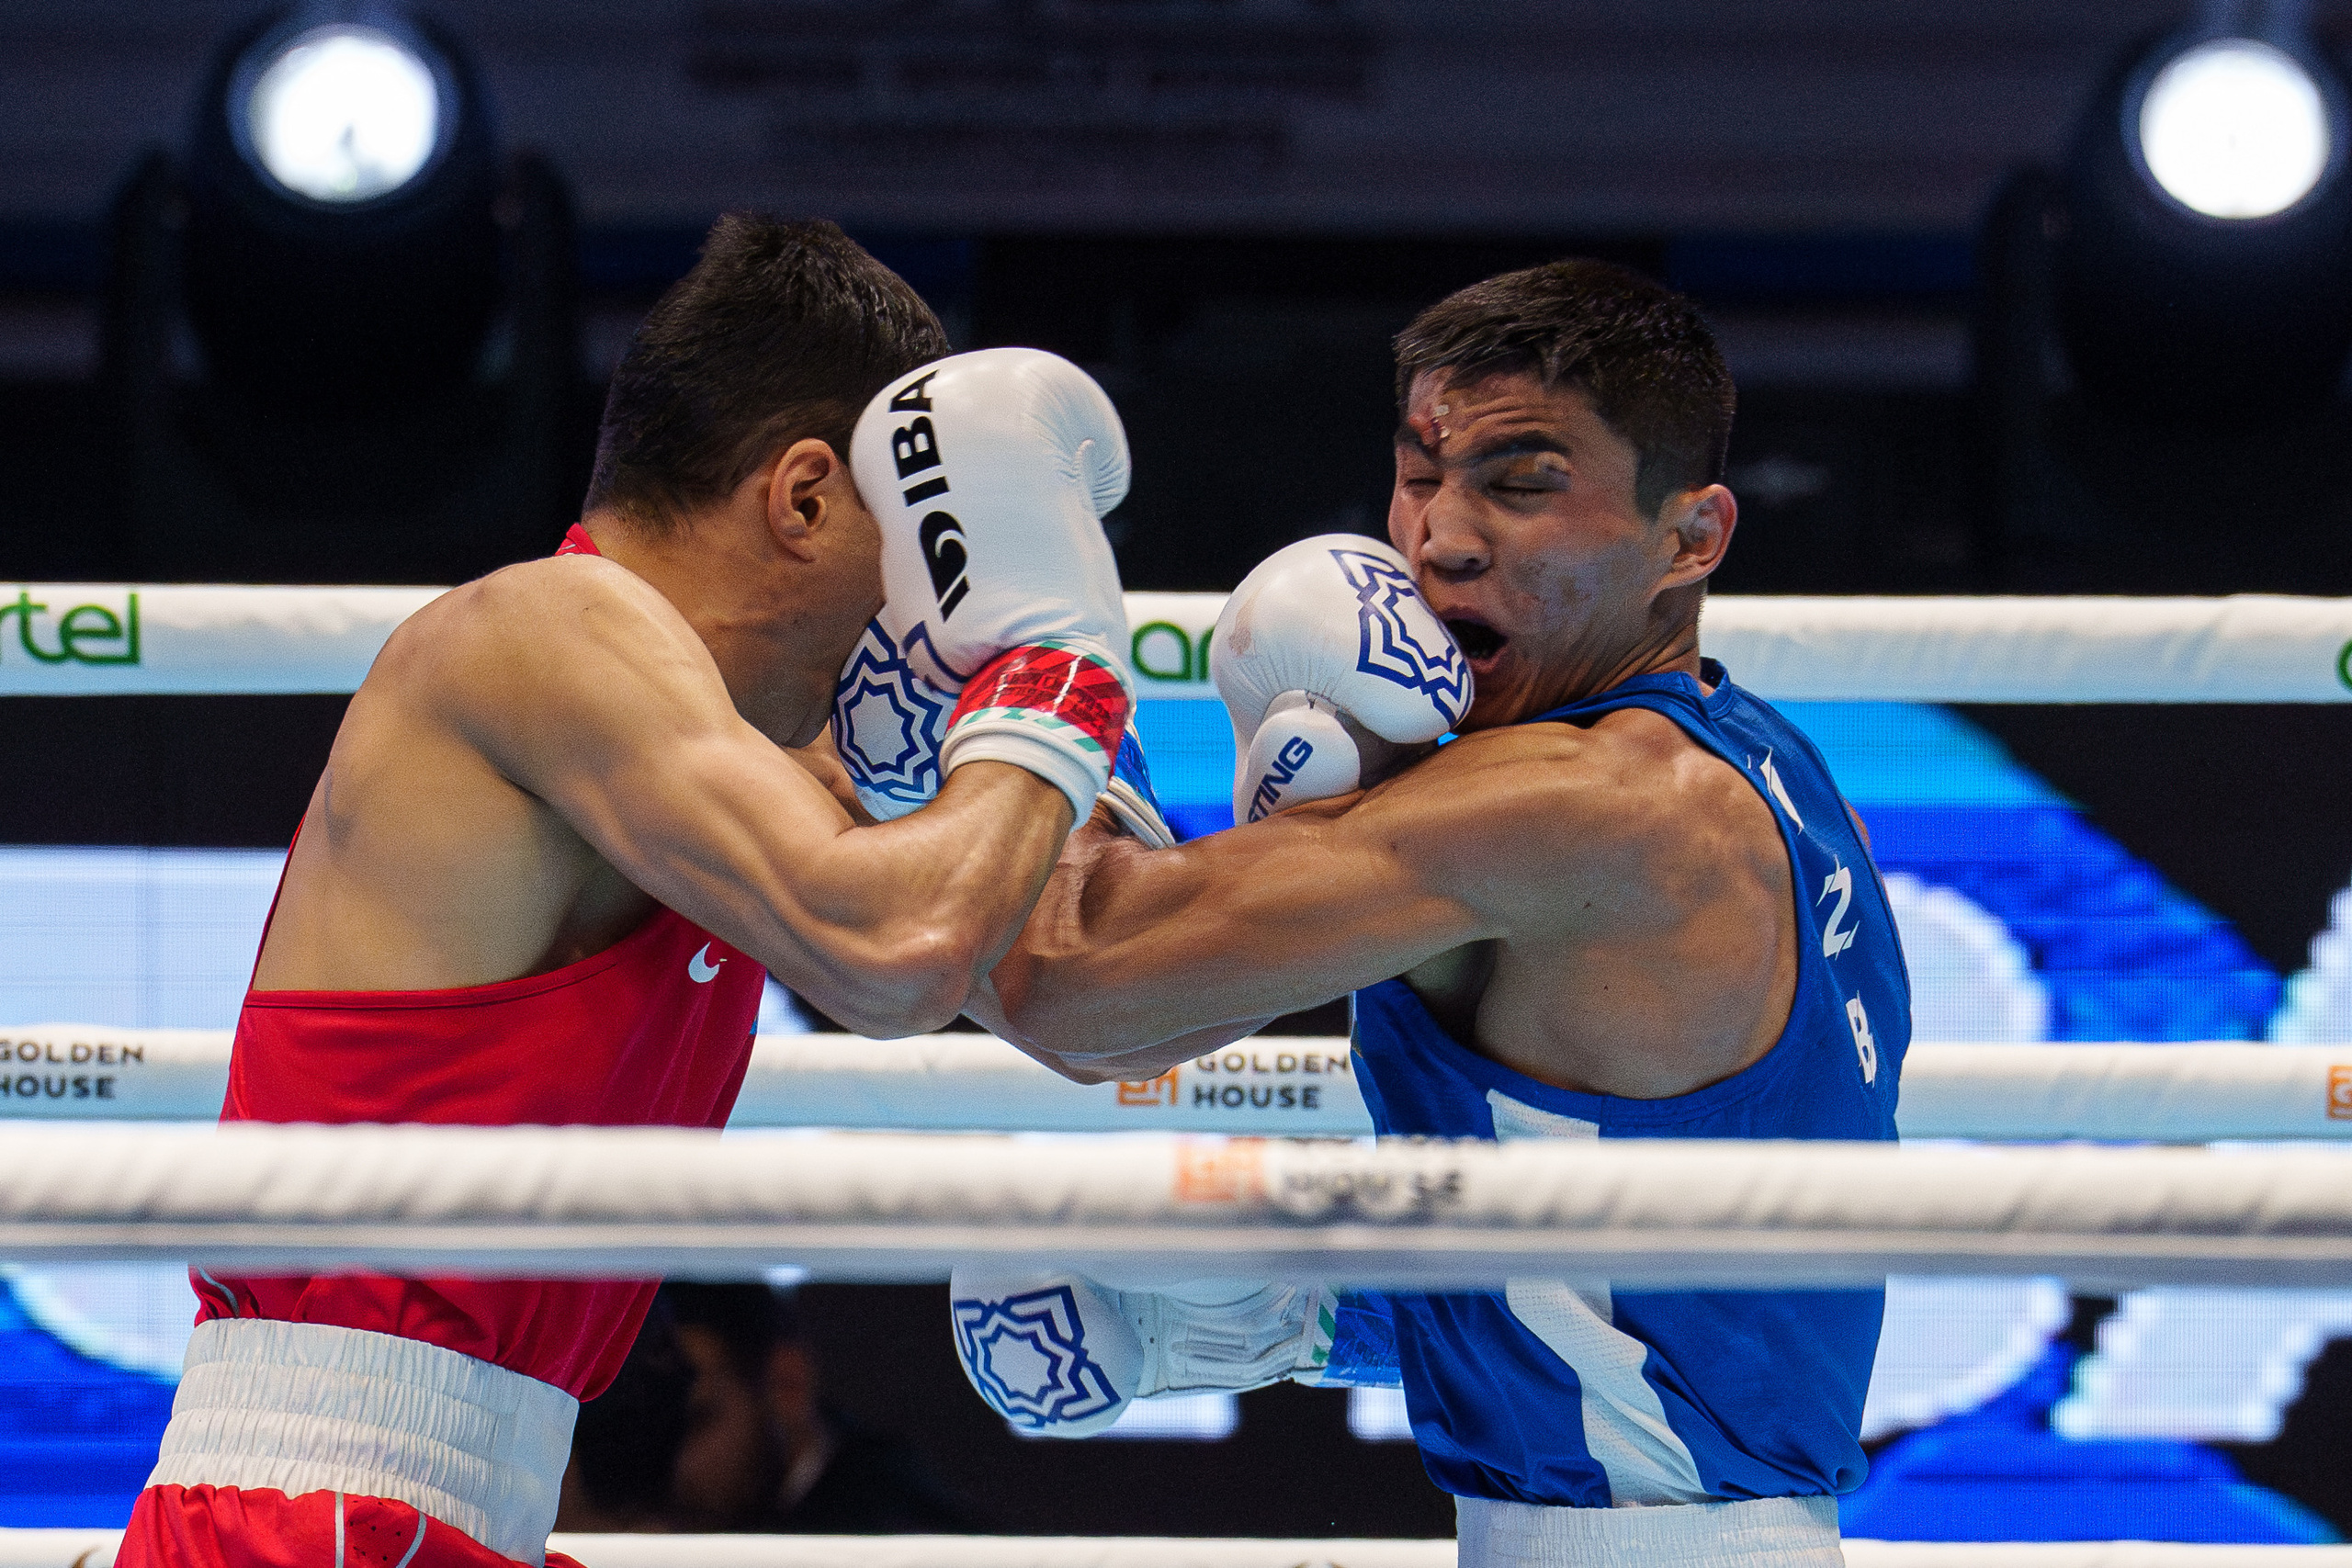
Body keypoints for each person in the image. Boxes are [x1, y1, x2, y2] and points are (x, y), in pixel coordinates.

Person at [119, 215, 1143, 1568]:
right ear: (808, 497)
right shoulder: (547, 631)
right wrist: (1059, 673)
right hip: (317, 1509)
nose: (922, 619)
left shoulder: (732, 767)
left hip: (458, 1507)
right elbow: (903, 946)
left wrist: (1377, 842)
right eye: (926, 550)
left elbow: (1081, 1003)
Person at [956, 260, 1913, 1566]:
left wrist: (1024, 671)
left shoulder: (1580, 803)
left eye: (1523, 483)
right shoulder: (1769, 766)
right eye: (1422, 471)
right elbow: (1670, 1251)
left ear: (1690, 538)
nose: (1443, 536)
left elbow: (1070, 978)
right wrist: (1304, 1319)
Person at [558, 1283, 980, 1535]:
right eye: (651, 1419)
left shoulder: (891, 1527)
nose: (671, 1457)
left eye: (698, 1417)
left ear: (786, 1383)